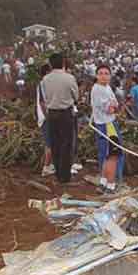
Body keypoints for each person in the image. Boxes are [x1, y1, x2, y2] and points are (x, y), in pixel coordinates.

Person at [39, 53, 78, 184]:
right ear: (63, 63)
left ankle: (58, 174)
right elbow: (75, 95)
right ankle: (65, 177)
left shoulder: (45, 79)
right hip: (66, 113)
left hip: (51, 114)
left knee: (55, 144)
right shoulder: (69, 78)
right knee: (66, 145)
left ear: (50, 64)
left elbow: (45, 98)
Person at [91, 65, 124, 194]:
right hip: (106, 125)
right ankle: (111, 185)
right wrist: (114, 107)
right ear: (96, 76)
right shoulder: (99, 89)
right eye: (101, 73)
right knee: (112, 156)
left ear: (110, 76)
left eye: (106, 73)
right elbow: (110, 108)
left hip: (108, 123)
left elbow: (115, 103)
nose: (104, 76)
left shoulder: (107, 87)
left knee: (107, 155)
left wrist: (114, 106)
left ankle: (103, 181)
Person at [36, 64, 54, 177]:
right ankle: (46, 168)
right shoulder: (43, 84)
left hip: (46, 116)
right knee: (49, 144)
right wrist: (49, 116)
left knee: (51, 143)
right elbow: (42, 103)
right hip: (46, 118)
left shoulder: (44, 83)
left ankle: (49, 165)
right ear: (47, 72)